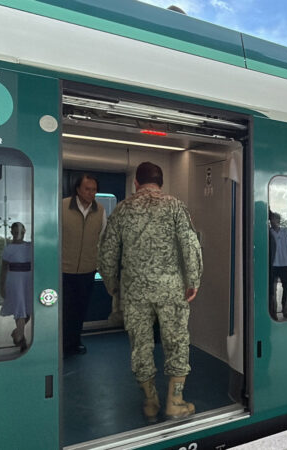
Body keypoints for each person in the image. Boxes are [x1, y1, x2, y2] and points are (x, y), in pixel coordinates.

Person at [98, 162, 202, 422]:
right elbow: (190, 245)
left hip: (134, 291)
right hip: (171, 289)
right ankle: (175, 401)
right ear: (161, 183)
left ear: (136, 183)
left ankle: (150, 401)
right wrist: (194, 280)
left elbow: (107, 250)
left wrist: (111, 284)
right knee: (176, 342)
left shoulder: (122, 209)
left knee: (140, 345)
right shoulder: (175, 205)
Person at [62, 173, 106, 356]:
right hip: (63, 269)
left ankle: (74, 342)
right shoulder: (62, 206)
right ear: (78, 189)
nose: (91, 193)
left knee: (80, 309)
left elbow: (103, 238)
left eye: (94, 190)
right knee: (63, 310)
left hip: (87, 269)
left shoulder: (100, 210)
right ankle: (60, 344)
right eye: (87, 189)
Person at [0, 222, 33, 352]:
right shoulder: (9, 248)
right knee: (20, 308)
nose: (18, 233)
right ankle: (20, 337)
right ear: (12, 232)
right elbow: (3, 268)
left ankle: (17, 331)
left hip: (28, 279)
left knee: (28, 310)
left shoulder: (30, 246)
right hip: (14, 279)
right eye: (15, 231)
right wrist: (2, 286)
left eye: (20, 231)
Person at [268, 211, 287, 320]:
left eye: (275, 219)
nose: (273, 221)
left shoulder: (285, 232)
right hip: (273, 266)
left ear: (279, 221)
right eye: (272, 219)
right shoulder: (269, 232)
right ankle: (273, 312)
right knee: (272, 290)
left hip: (285, 265)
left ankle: (285, 310)